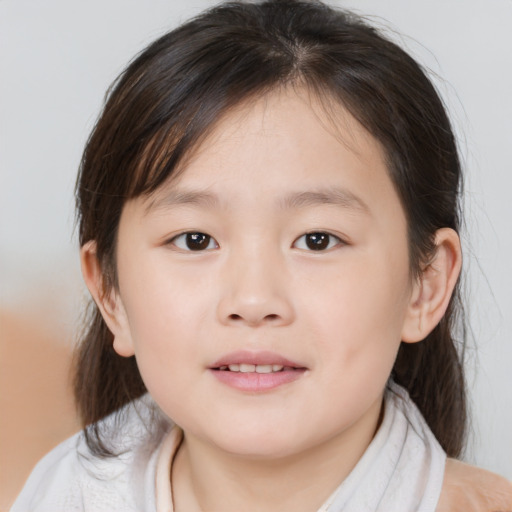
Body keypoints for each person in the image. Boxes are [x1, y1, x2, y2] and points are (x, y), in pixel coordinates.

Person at [11, 0, 512, 510]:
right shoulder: (60, 495)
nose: (253, 300)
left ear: (424, 285)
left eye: (317, 240)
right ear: (110, 293)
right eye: (195, 240)